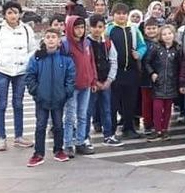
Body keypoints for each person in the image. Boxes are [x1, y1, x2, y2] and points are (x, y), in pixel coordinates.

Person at [0, 1, 39, 151]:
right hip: (2, 71)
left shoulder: (26, 29)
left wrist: (26, 60)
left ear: (20, 14)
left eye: (16, 12)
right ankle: (1, 138)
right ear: (4, 14)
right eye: (9, 13)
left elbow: (34, 49)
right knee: (2, 104)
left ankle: (18, 137)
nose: (13, 16)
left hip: (20, 72)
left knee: (18, 104)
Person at [24, 28, 75, 167]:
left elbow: (70, 78)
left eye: (54, 37)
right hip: (42, 99)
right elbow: (29, 76)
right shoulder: (37, 57)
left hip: (59, 99)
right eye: (48, 37)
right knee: (40, 126)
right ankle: (38, 153)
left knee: (58, 125)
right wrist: (35, 91)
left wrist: (66, 93)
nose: (51, 39)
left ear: (59, 41)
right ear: (44, 40)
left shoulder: (65, 59)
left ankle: (58, 150)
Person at [106, 3, 148, 139]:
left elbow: (143, 46)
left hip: (131, 71)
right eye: (118, 13)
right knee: (113, 103)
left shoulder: (134, 30)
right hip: (114, 73)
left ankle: (129, 128)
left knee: (130, 102)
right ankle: (111, 130)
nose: (121, 16)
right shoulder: (108, 30)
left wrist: (139, 54)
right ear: (113, 15)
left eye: (124, 13)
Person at [61, 16, 97, 157]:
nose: (80, 30)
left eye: (82, 27)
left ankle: (80, 142)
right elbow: (62, 65)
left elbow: (91, 62)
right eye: (76, 27)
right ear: (70, 28)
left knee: (83, 115)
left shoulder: (87, 43)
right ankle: (68, 144)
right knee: (70, 116)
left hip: (86, 84)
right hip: (72, 86)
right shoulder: (65, 44)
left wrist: (93, 80)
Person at [86, 14, 122, 147]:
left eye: (100, 27)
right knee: (88, 110)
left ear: (104, 28)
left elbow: (114, 60)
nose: (97, 29)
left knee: (106, 109)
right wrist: (93, 81)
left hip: (106, 81)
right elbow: (86, 65)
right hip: (92, 83)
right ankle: (85, 137)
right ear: (89, 27)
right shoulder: (86, 43)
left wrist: (109, 80)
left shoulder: (107, 42)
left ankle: (109, 135)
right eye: (94, 26)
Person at [143, 24, 182, 141]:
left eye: (169, 33)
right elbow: (147, 62)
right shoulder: (156, 48)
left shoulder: (177, 49)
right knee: (157, 107)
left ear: (173, 35)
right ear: (161, 36)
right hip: (158, 83)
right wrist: (152, 73)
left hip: (171, 83)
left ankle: (165, 129)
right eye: (164, 34)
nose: (167, 36)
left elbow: (180, 66)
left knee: (168, 108)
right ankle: (157, 129)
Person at [139, 19, 161, 134]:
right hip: (146, 77)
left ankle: (156, 121)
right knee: (147, 102)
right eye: (149, 28)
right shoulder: (143, 43)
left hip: (159, 77)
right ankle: (147, 124)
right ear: (144, 29)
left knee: (157, 101)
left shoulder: (160, 42)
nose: (151, 31)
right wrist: (150, 72)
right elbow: (143, 61)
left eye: (154, 28)